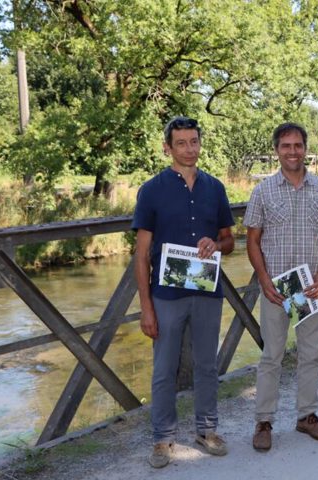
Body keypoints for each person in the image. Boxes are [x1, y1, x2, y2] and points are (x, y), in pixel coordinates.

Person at [132, 116, 236, 468]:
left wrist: (216, 244)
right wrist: (146, 308)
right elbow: (142, 254)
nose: (189, 149)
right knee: (164, 368)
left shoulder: (215, 187)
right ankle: (163, 439)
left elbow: (230, 241)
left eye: (194, 141)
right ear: (168, 147)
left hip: (207, 292)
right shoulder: (151, 190)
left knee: (207, 364)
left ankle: (207, 430)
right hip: (166, 295)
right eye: (181, 143)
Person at [244, 122, 318, 451]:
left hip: (309, 287)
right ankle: (264, 421)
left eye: (298, 145)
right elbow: (252, 240)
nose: (292, 151)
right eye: (286, 146)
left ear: (305, 149)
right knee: (271, 356)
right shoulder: (262, 191)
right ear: (277, 150)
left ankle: (307, 417)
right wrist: (263, 279)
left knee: (310, 354)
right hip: (277, 288)